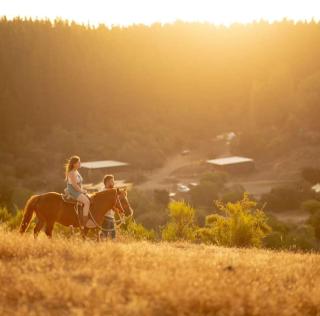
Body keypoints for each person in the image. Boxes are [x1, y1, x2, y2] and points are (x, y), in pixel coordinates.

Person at [65, 155, 90, 227]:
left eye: (80, 162)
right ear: (74, 164)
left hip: (77, 190)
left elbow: (79, 184)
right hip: (74, 191)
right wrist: (82, 191)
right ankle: (84, 221)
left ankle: (82, 216)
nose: (80, 163)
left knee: (89, 198)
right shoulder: (72, 172)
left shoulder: (76, 171)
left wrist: (83, 190)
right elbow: (74, 185)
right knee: (87, 202)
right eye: (78, 162)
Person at [101, 174, 117, 240]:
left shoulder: (112, 192)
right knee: (104, 235)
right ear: (107, 182)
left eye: (113, 181)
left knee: (113, 236)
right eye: (112, 181)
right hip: (105, 217)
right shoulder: (103, 192)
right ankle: (101, 248)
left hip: (111, 217)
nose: (113, 183)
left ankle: (112, 248)